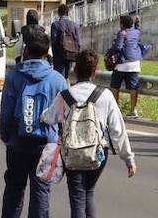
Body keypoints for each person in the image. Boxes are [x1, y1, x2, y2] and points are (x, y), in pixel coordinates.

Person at [41, 49, 136, 218]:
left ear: (75, 70)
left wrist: (42, 114)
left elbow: (49, 118)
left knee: (77, 197)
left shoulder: (65, 95)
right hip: (97, 153)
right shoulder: (105, 95)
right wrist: (128, 159)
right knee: (89, 192)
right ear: (94, 72)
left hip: (72, 152)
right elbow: (117, 130)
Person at [0, 29, 66, 218]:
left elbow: (6, 110)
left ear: (26, 50)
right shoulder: (57, 80)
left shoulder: (13, 76)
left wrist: (5, 136)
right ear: (47, 53)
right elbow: (63, 117)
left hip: (17, 142)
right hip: (47, 144)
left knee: (14, 188)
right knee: (41, 191)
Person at [110, 15, 144, 118]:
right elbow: (138, 30)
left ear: (122, 25)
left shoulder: (122, 33)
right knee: (133, 88)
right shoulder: (136, 32)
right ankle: (133, 110)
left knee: (115, 86)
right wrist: (138, 23)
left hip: (122, 64)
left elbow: (118, 47)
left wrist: (114, 43)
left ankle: (116, 109)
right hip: (135, 63)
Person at [50, 4, 81, 80]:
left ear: (58, 13)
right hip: (71, 54)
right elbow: (78, 42)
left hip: (59, 55)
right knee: (67, 77)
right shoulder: (75, 25)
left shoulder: (55, 25)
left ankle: (61, 91)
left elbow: (53, 42)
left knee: (58, 77)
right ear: (68, 13)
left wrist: (53, 57)